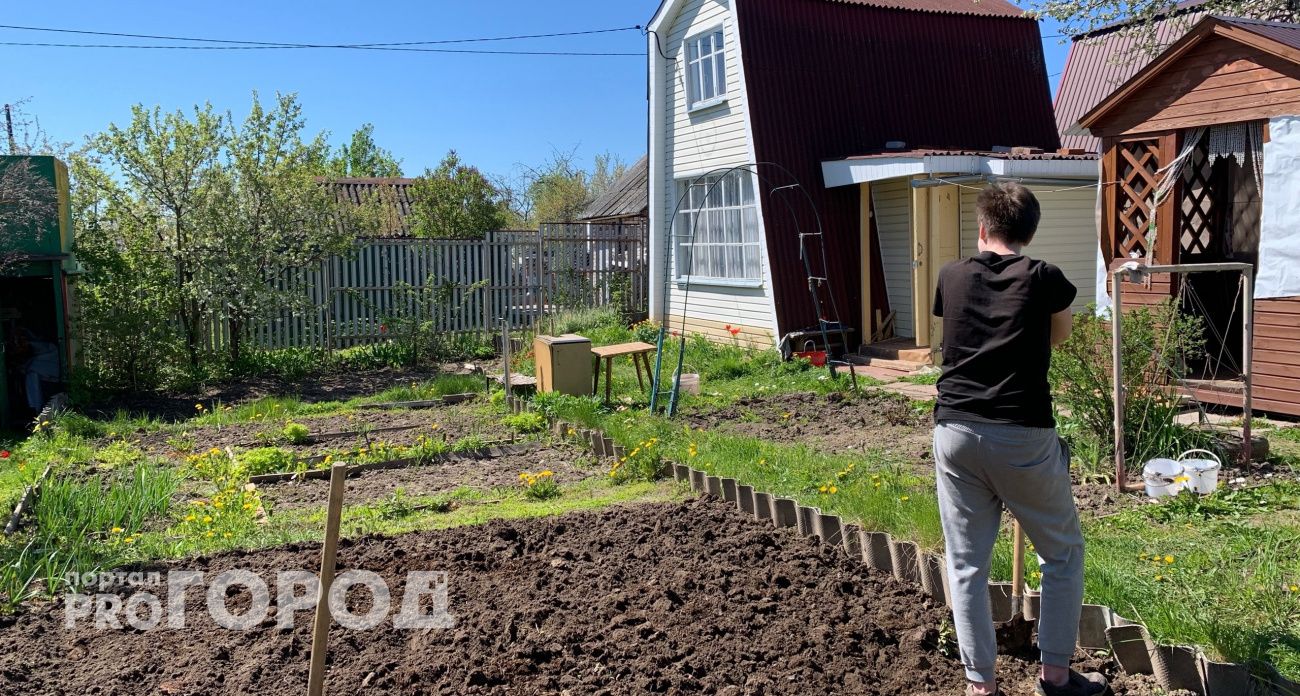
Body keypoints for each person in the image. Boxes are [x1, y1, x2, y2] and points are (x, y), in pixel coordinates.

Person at [931, 182, 1109, 696]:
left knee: (965, 563)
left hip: (956, 431)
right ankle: (1054, 676)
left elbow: (953, 331)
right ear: (1030, 233)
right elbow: (1060, 335)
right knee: (1061, 555)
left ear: (982, 229)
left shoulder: (951, 274)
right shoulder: (1045, 277)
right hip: (1022, 435)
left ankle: (979, 685)